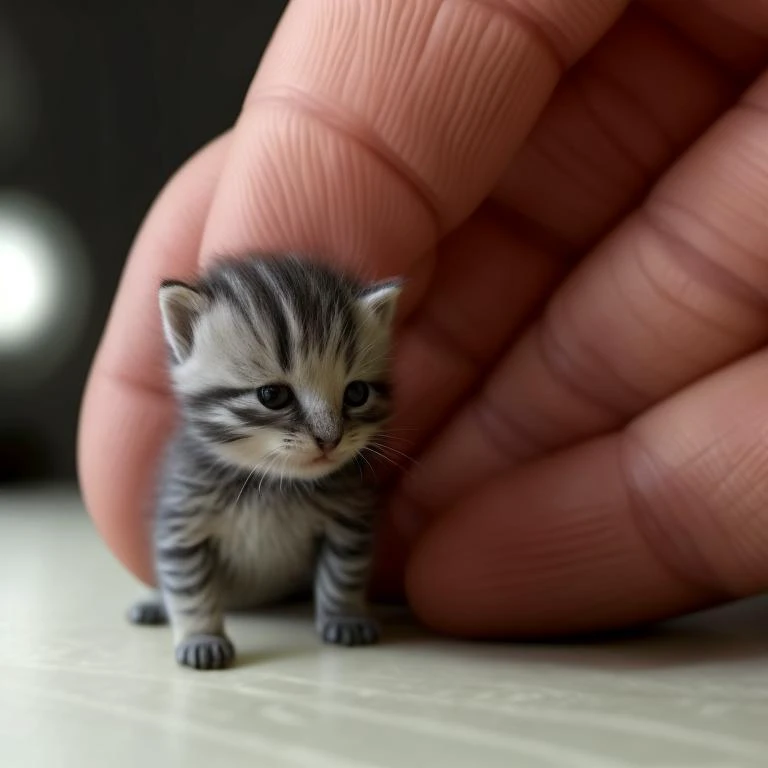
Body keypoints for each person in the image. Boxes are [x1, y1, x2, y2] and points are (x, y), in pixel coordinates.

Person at [77, 0, 768, 639]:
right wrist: (195, 623)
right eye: (273, 397)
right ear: (186, 336)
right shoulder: (208, 468)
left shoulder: (338, 470)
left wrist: (342, 607)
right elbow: (184, 537)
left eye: (355, 396)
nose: (328, 433)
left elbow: (347, 537)